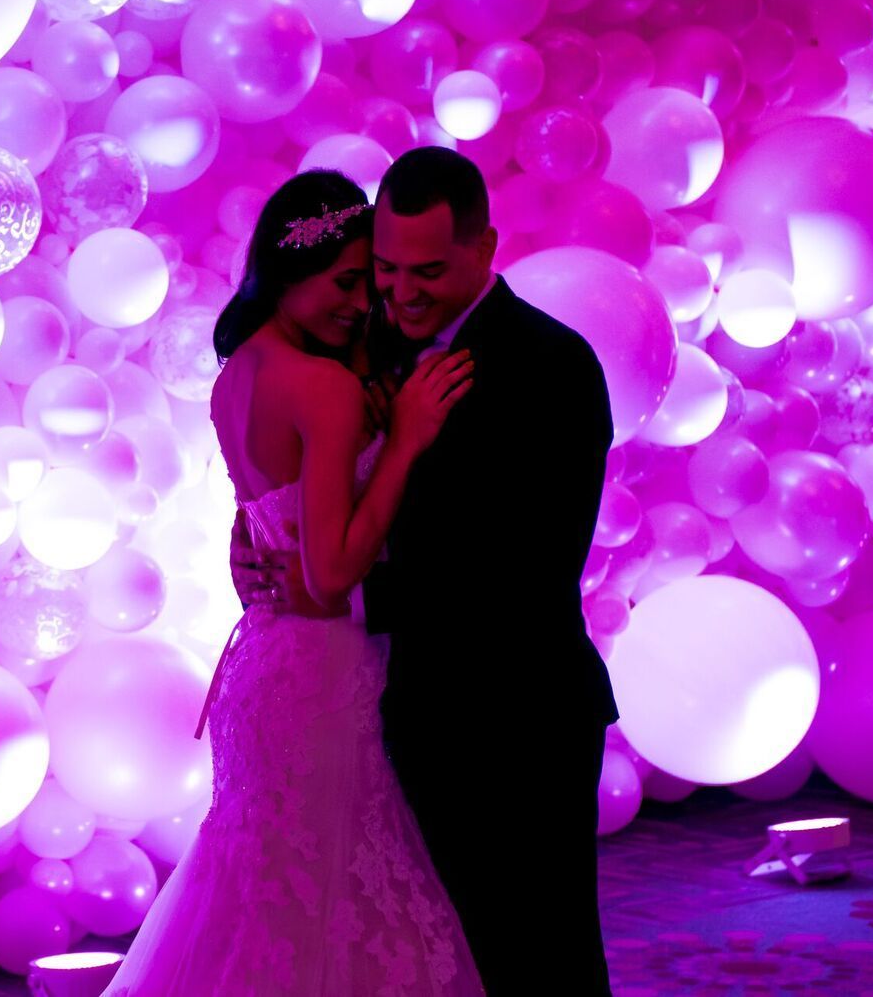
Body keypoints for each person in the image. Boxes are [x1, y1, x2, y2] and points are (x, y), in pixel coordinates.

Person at [235, 147, 619, 994]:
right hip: (398, 714)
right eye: (386, 269)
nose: (403, 292)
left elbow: (519, 567)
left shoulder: (548, 365)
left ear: (485, 248)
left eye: (431, 271)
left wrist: (334, 589)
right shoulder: (366, 346)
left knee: (539, 956)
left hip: (515, 716)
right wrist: (265, 535)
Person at [107, 170, 483, 996]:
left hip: (263, 669)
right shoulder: (325, 386)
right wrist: (410, 439)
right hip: (322, 668)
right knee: (330, 899)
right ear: (287, 268)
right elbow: (329, 574)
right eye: (349, 281)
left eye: (369, 284)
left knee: (263, 893)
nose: (365, 303)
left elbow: (262, 527)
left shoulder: (237, 373)